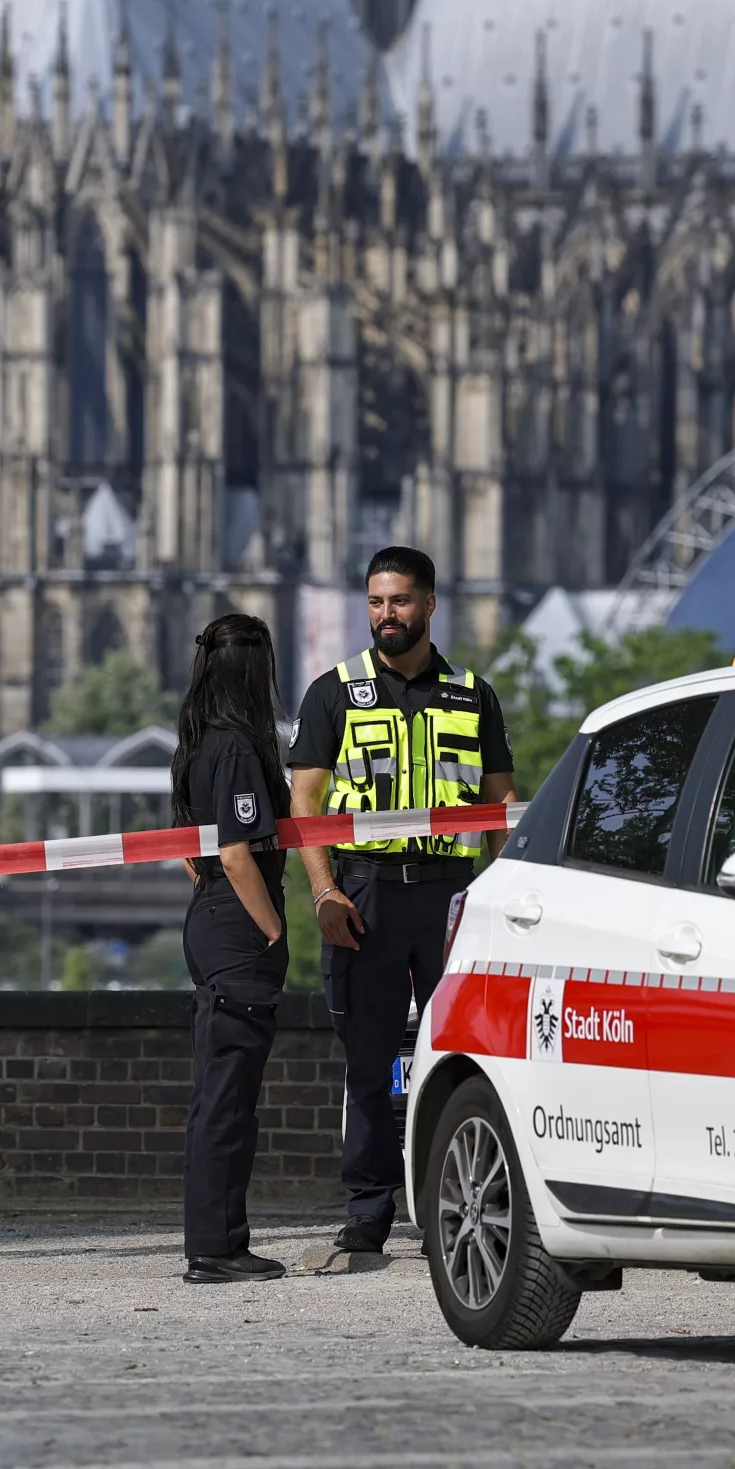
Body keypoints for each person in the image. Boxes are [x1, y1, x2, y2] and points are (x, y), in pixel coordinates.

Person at [289, 547, 516, 1257]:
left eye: (400, 601)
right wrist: (324, 890)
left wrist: (510, 901)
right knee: (367, 1059)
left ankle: (461, 1199)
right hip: (365, 894)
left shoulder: (474, 695)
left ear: (430, 604)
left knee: (466, 1053)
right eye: (376, 602)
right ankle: (369, 1209)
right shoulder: (332, 691)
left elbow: (501, 806)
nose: (386, 614)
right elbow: (304, 803)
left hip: (452, 897)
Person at [171, 613, 293, 1285]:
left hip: (209, 917)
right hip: (239, 928)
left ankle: (215, 1238)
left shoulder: (195, 743)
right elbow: (236, 850)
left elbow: (187, 851)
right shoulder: (240, 747)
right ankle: (217, 1247)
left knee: (216, 1092)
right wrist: (271, 927)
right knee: (229, 1097)